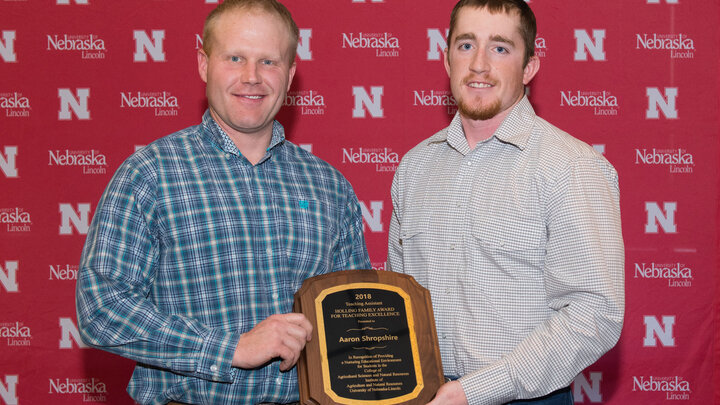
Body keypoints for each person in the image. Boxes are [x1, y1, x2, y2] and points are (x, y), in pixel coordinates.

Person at [76, 1, 370, 404]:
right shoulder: (150, 174)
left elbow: (354, 320)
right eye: (235, 58)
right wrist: (230, 348)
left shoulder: (330, 187)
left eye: (269, 61)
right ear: (204, 63)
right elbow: (101, 308)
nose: (252, 77)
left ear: (290, 73)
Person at [387, 1, 624, 404]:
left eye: (500, 48)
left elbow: (595, 314)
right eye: (465, 46)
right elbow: (398, 300)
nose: (479, 64)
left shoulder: (571, 167)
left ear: (529, 66)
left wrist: (473, 392)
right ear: (446, 60)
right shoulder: (414, 167)